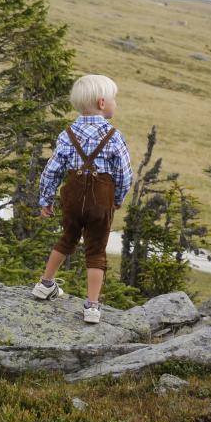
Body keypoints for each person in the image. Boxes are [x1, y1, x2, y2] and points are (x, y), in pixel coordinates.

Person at [32, 74, 132, 324]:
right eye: (114, 99)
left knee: (67, 239)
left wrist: (46, 199)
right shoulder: (114, 136)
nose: (115, 103)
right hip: (101, 202)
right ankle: (92, 306)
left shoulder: (67, 134)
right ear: (102, 103)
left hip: (73, 200)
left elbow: (52, 171)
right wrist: (118, 198)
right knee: (96, 250)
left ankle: (45, 284)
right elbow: (124, 174)